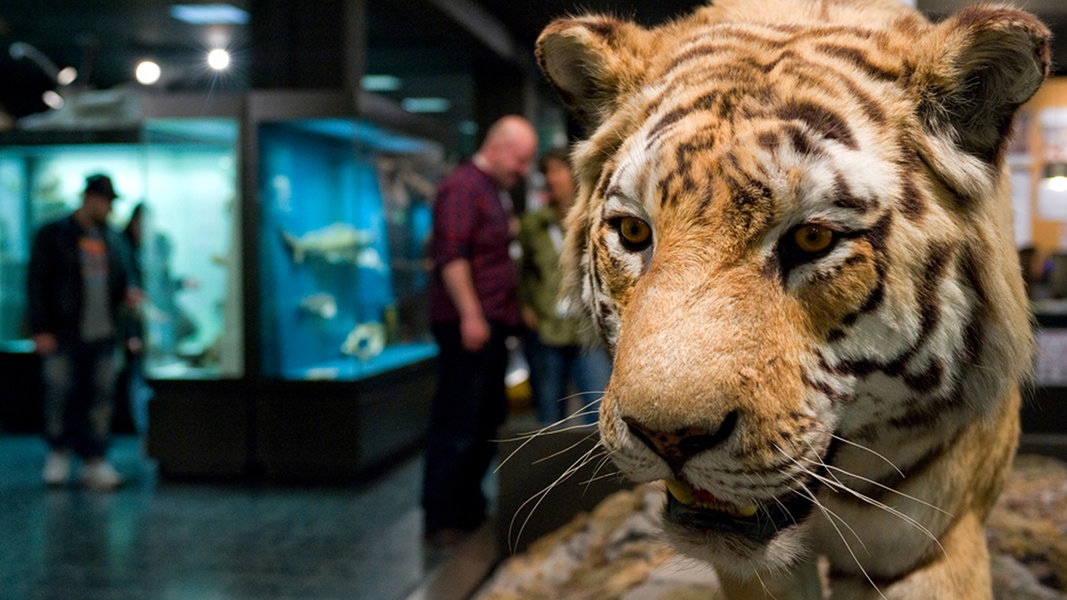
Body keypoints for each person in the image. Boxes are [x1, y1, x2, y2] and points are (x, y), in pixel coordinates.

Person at [422, 115, 538, 546]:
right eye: (521, 160)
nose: (523, 170)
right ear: (499, 146)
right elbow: (451, 255)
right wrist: (471, 314)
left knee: (484, 418)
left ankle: (467, 507)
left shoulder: (491, 190)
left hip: (490, 326)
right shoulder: (462, 187)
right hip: (468, 326)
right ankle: (443, 516)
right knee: (458, 421)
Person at [27, 173, 140, 490]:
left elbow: (124, 279)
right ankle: (58, 451)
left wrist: (128, 304)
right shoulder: (53, 235)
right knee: (59, 392)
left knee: (100, 396)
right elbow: (38, 282)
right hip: (64, 331)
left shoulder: (112, 239)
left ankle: (95, 459)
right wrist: (41, 328)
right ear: (90, 199)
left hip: (103, 333)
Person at [518, 148, 612, 426]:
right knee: (549, 415)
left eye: (556, 171)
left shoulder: (595, 220)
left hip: (586, 332)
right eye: (545, 173)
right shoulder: (532, 225)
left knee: (598, 411)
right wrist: (526, 307)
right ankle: (552, 471)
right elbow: (522, 273)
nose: (550, 179)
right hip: (547, 330)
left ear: (572, 174)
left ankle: (592, 470)